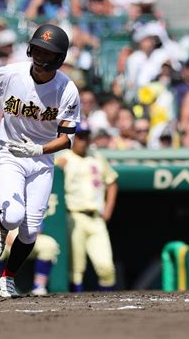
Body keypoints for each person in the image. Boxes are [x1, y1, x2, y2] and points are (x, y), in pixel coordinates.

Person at [0, 23, 80, 297]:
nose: (41, 58)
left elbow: (67, 139)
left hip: (42, 159)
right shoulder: (12, 73)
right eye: (38, 50)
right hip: (10, 153)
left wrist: (40, 151)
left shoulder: (67, 89)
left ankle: (7, 278)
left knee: (30, 232)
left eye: (48, 53)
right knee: (14, 215)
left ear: (59, 58)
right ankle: (2, 227)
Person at [56, 121, 118, 292]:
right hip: (74, 216)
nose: (83, 140)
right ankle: (77, 312)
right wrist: (57, 170)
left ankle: (111, 308)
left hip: (96, 217)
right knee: (77, 268)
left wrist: (108, 208)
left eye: (86, 136)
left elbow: (112, 181)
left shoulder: (96, 156)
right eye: (80, 136)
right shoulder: (63, 158)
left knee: (106, 267)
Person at [0, 184, 60, 296]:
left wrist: (22, 235)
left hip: (26, 234)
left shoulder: (31, 187)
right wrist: (3, 235)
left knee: (48, 244)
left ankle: (39, 287)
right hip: (1, 234)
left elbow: (39, 224)